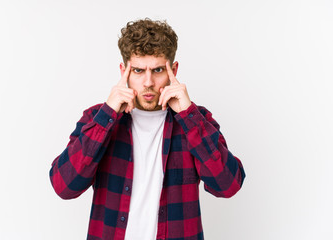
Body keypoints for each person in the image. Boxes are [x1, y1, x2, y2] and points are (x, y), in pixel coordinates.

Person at [49, 18, 245, 240]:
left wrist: (189, 115)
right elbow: (63, 186)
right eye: (139, 71)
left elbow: (227, 186)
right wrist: (107, 114)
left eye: (158, 70)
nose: (148, 82)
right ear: (124, 71)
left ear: (174, 70)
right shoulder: (97, 119)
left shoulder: (196, 120)